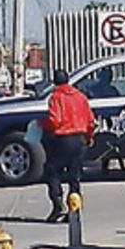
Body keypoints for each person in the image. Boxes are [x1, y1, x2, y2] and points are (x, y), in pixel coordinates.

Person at [41, 69, 96, 223]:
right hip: (80, 140)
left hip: (63, 139)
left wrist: (42, 124)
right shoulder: (81, 97)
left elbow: (55, 121)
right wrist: (89, 137)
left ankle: (58, 205)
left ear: (54, 82)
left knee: (51, 169)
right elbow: (91, 122)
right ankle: (74, 209)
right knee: (75, 176)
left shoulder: (56, 97)